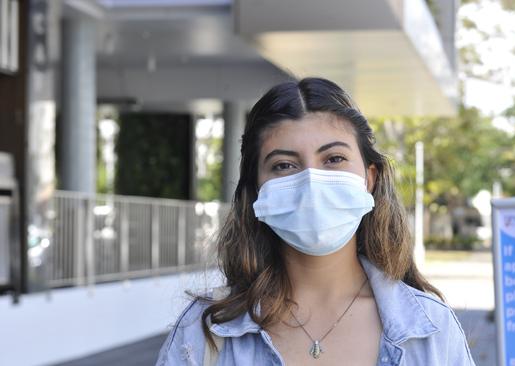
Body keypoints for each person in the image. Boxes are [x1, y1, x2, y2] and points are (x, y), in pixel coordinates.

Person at [156, 77, 476, 365]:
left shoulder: (431, 329)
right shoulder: (205, 333)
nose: (311, 182)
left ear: (369, 177)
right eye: (283, 165)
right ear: (256, 190)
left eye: (333, 159)